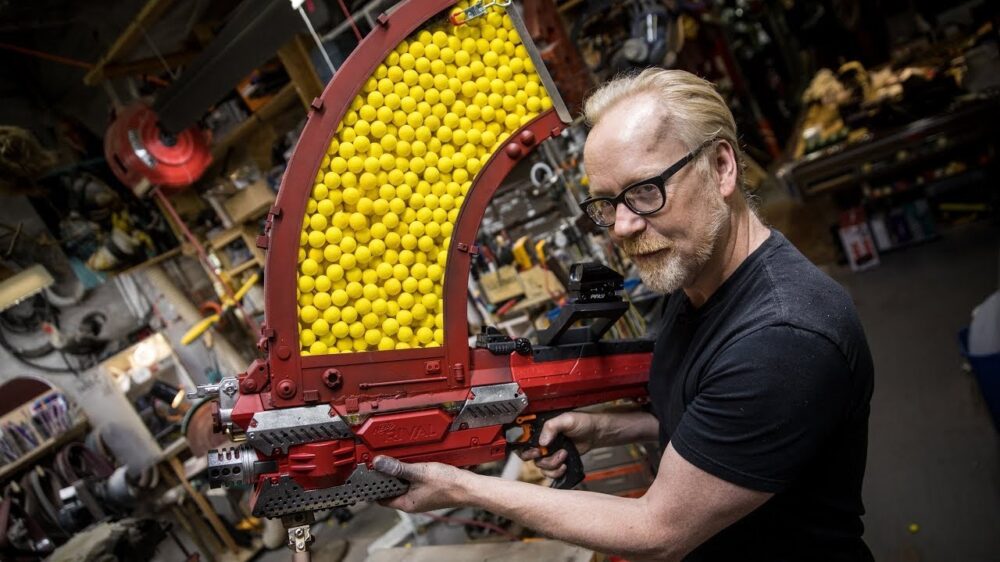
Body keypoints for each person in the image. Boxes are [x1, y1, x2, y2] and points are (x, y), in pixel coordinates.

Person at [372, 68, 875, 561]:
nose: (622, 226)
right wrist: (608, 429)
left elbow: (658, 529)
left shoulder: (783, 337)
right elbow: (708, 415)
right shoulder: (698, 280)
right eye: (608, 203)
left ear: (722, 167)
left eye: (645, 190)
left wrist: (462, 488)